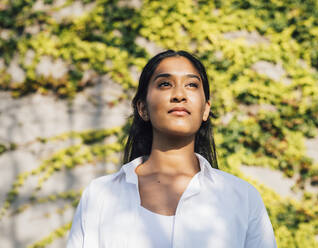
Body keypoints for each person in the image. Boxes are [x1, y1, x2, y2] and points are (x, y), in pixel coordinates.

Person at [67, 50, 277, 248]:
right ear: (142, 108)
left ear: (205, 109)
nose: (179, 95)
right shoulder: (101, 196)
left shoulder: (242, 197)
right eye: (165, 84)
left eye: (192, 85)